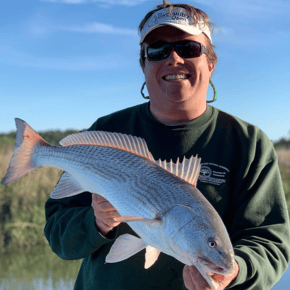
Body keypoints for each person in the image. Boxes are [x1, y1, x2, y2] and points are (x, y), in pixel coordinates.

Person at [44, 1, 290, 289]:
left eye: (188, 48)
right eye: (158, 50)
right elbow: (58, 234)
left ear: (210, 63)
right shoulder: (107, 130)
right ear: (144, 66)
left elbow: (270, 242)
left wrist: (236, 271)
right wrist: (95, 222)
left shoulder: (248, 144)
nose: (173, 59)